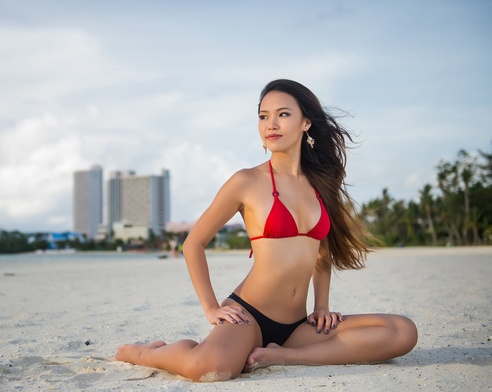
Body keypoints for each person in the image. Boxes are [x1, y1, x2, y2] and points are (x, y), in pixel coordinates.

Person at [115, 79, 418, 382]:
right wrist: (211, 308)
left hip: (297, 327)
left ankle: (283, 356)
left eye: (283, 114)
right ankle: (144, 352)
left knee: (402, 332)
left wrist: (322, 306)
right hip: (249, 317)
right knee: (211, 368)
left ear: (306, 123)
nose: (271, 124)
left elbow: (322, 251)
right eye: (263, 116)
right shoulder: (246, 181)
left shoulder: (321, 185)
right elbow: (193, 244)